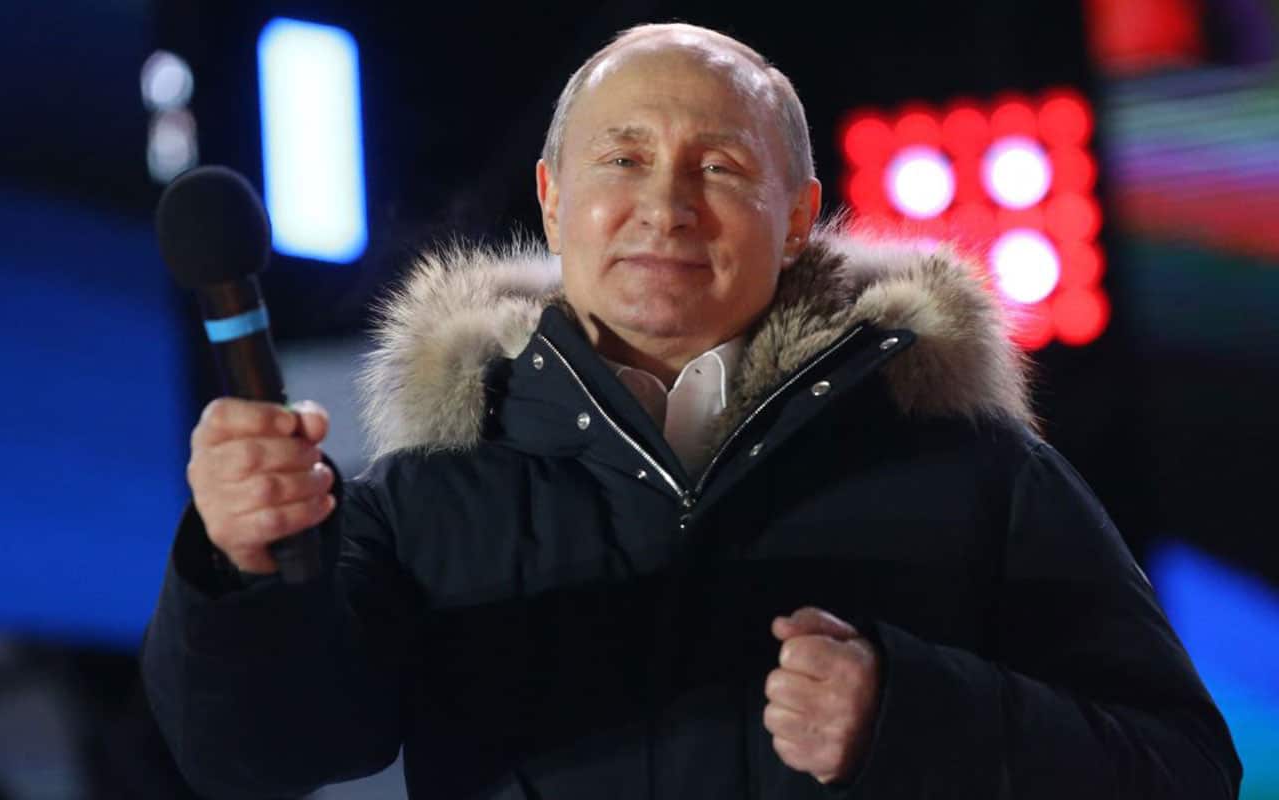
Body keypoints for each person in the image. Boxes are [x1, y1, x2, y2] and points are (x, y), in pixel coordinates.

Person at [141, 22, 1242, 799]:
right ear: (553, 201)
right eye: (622, 159)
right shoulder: (426, 492)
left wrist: (910, 715)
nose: (662, 205)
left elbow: (1184, 769)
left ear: (798, 217)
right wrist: (238, 571)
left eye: (716, 166)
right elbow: (259, 756)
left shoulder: (972, 470)